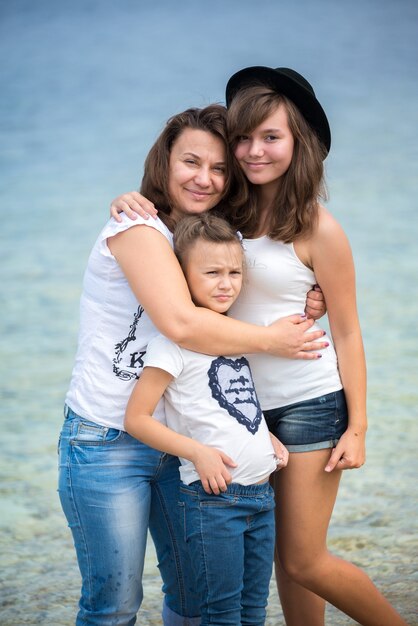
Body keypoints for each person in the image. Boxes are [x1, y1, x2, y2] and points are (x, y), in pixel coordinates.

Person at [111, 67, 409, 626]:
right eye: (243, 138)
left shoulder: (319, 227)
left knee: (304, 560)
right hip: (237, 410)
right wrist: (133, 196)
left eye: (270, 137)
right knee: (281, 563)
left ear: (299, 144)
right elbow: (173, 240)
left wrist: (359, 426)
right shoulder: (221, 213)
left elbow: (347, 329)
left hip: (307, 406)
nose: (252, 151)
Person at [59, 104, 328, 626]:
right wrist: (274, 340)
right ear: (164, 164)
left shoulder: (203, 239)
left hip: (184, 446)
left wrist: (307, 301)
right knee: (113, 605)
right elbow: (183, 324)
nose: (204, 178)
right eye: (190, 162)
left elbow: (235, 301)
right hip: (108, 439)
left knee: (192, 602)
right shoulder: (136, 227)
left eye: (220, 168)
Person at [125, 212, 288, 625]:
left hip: (262, 498)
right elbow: (137, 418)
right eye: (212, 272)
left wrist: (264, 436)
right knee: (221, 614)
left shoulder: (233, 335)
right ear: (182, 276)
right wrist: (197, 452)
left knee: (254, 611)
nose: (225, 283)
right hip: (214, 502)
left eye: (235, 272)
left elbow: (235, 403)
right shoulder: (173, 345)